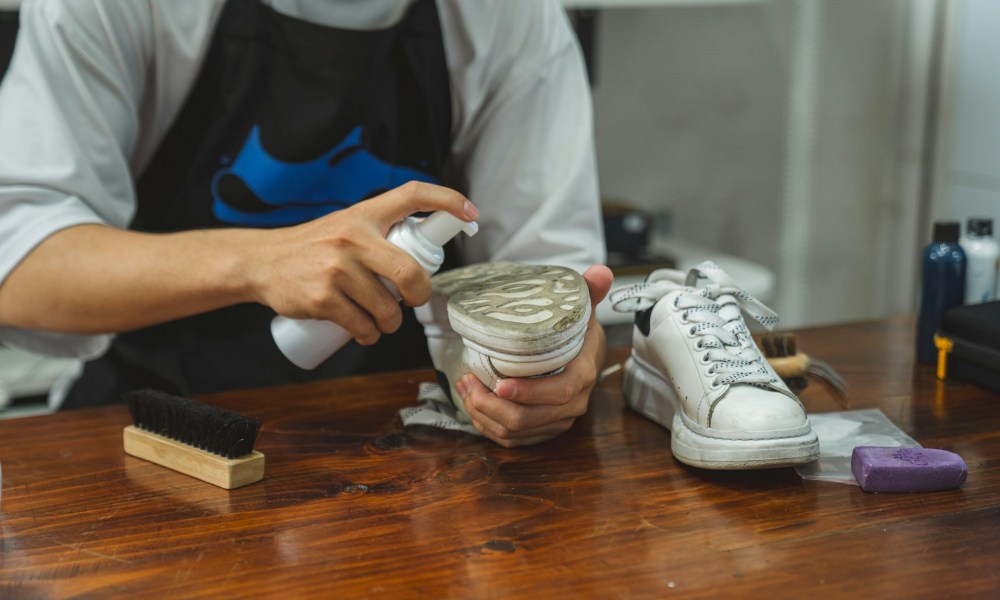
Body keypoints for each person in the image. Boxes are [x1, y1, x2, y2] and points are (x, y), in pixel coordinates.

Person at [0, 0, 611, 447]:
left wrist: (553, 374)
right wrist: (257, 261)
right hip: (152, 421)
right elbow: (20, 264)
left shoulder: (514, 20)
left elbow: (557, 280)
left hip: (400, 434)